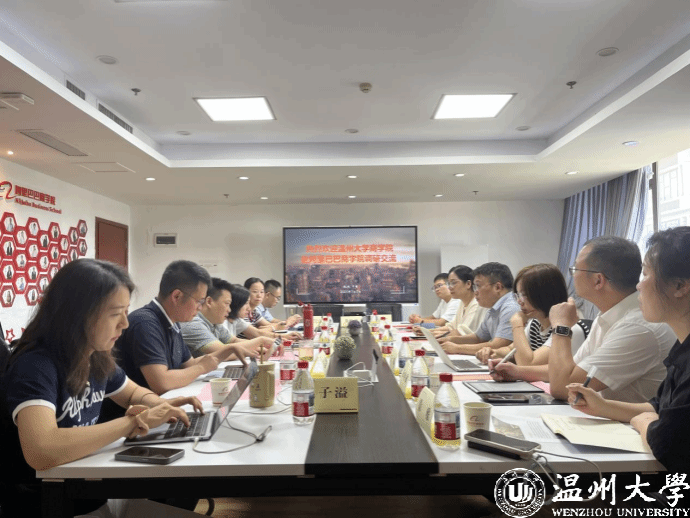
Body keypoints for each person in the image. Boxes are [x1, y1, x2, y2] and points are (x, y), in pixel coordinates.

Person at [0, 259, 203, 516]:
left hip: (89, 492)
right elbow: (42, 449)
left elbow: (131, 393)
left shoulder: (94, 354)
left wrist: (161, 406)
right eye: (116, 314)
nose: (125, 324)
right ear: (77, 314)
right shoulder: (36, 365)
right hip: (50, 503)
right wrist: (132, 423)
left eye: (126, 312)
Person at [568, 227, 690, 472]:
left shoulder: (641, 327)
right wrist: (603, 407)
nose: (638, 286)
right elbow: (659, 407)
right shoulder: (681, 348)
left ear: (679, 286)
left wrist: (645, 422)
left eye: (645, 274)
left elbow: (669, 445)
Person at [548, 236, 675, 402]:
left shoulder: (638, 326)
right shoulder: (608, 315)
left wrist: (561, 326)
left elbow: (563, 387)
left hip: (632, 420)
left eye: (575, 269)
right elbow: (572, 370)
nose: (573, 275)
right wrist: (518, 371)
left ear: (598, 280)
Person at [116, 260, 243, 395]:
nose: (200, 307)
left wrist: (228, 349)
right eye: (199, 301)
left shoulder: (173, 322)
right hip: (139, 407)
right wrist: (201, 368)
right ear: (177, 296)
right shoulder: (145, 323)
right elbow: (161, 383)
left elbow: (189, 364)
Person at [488, 264, 589, 381]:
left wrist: (517, 324)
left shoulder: (568, 327)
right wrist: (493, 352)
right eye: (518, 295)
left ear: (545, 294)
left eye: (524, 295)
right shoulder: (535, 323)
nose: (519, 301)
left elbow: (527, 364)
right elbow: (513, 349)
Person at [180, 277, 275, 360]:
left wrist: (259, 347)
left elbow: (234, 341)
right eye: (227, 304)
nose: (229, 310)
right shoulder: (193, 324)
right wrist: (260, 341)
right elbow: (223, 352)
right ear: (209, 301)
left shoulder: (214, 323)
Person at [439, 262, 520, 357]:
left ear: (498, 287)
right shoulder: (493, 308)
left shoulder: (511, 307)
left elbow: (498, 345)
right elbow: (478, 338)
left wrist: (457, 348)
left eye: (478, 286)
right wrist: (450, 339)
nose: (475, 292)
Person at [428, 265, 486, 338]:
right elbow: (452, 326)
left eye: (453, 283)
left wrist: (432, 332)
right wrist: (430, 331)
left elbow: (462, 332)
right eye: (449, 283)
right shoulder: (462, 302)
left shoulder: (476, 303)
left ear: (468, 284)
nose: (450, 287)